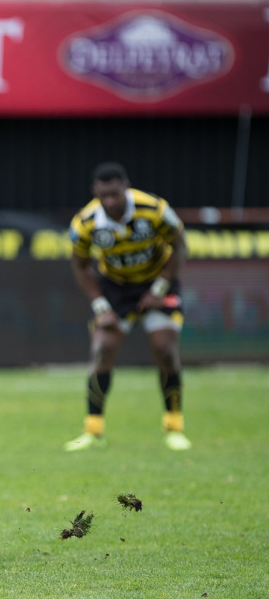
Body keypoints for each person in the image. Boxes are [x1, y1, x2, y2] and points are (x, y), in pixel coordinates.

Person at [64, 162, 191, 452]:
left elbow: (180, 245)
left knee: (164, 349)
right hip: (115, 288)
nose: (110, 202)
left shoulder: (154, 209)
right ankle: (93, 431)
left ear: (126, 188)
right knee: (102, 348)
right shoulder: (85, 223)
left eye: (115, 195)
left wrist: (159, 289)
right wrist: (100, 306)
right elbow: (80, 266)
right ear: (95, 193)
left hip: (156, 284)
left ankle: (174, 427)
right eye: (103, 196)